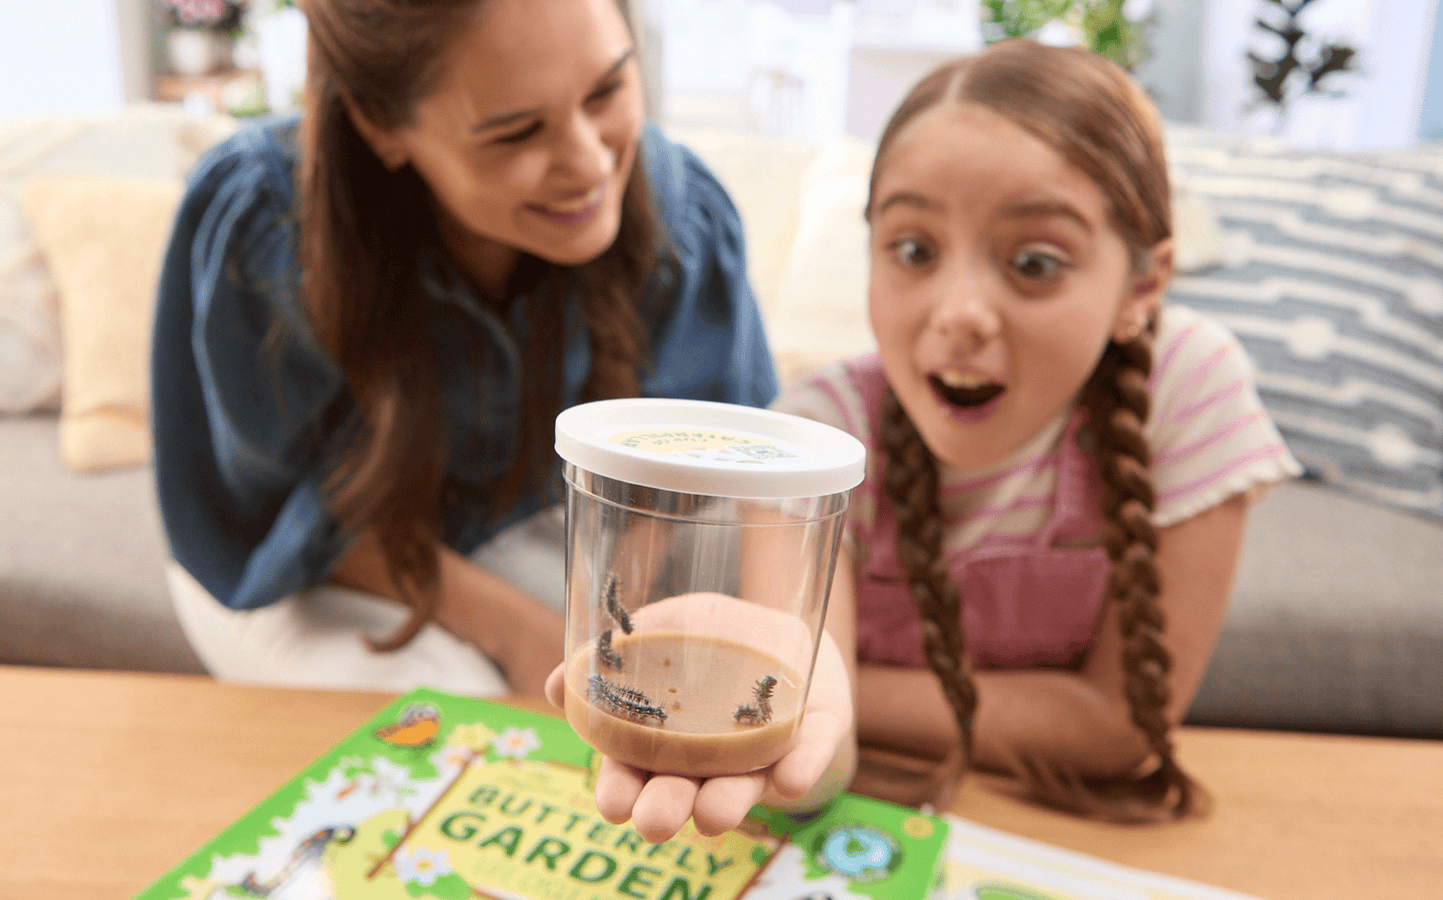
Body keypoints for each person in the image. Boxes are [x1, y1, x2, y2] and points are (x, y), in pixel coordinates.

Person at [150, 0, 849, 839]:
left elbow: (756, 480)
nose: (591, 162)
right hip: (313, 557)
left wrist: (787, 666)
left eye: (608, 90)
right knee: (456, 736)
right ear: (382, 126)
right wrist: (521, 632)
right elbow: (289, 518)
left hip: (518, 516)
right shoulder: (266, 228)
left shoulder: (678, 209)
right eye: (517, 133)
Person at [770, 40, 1302, 821]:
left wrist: (832, 689)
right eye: (914, 250)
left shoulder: (1185, 386)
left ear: (1142, 286)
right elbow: (810, 754)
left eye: (1036, 262)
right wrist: (803, 702)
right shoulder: (816, 438)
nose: (958, 315)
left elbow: (1121, 730)